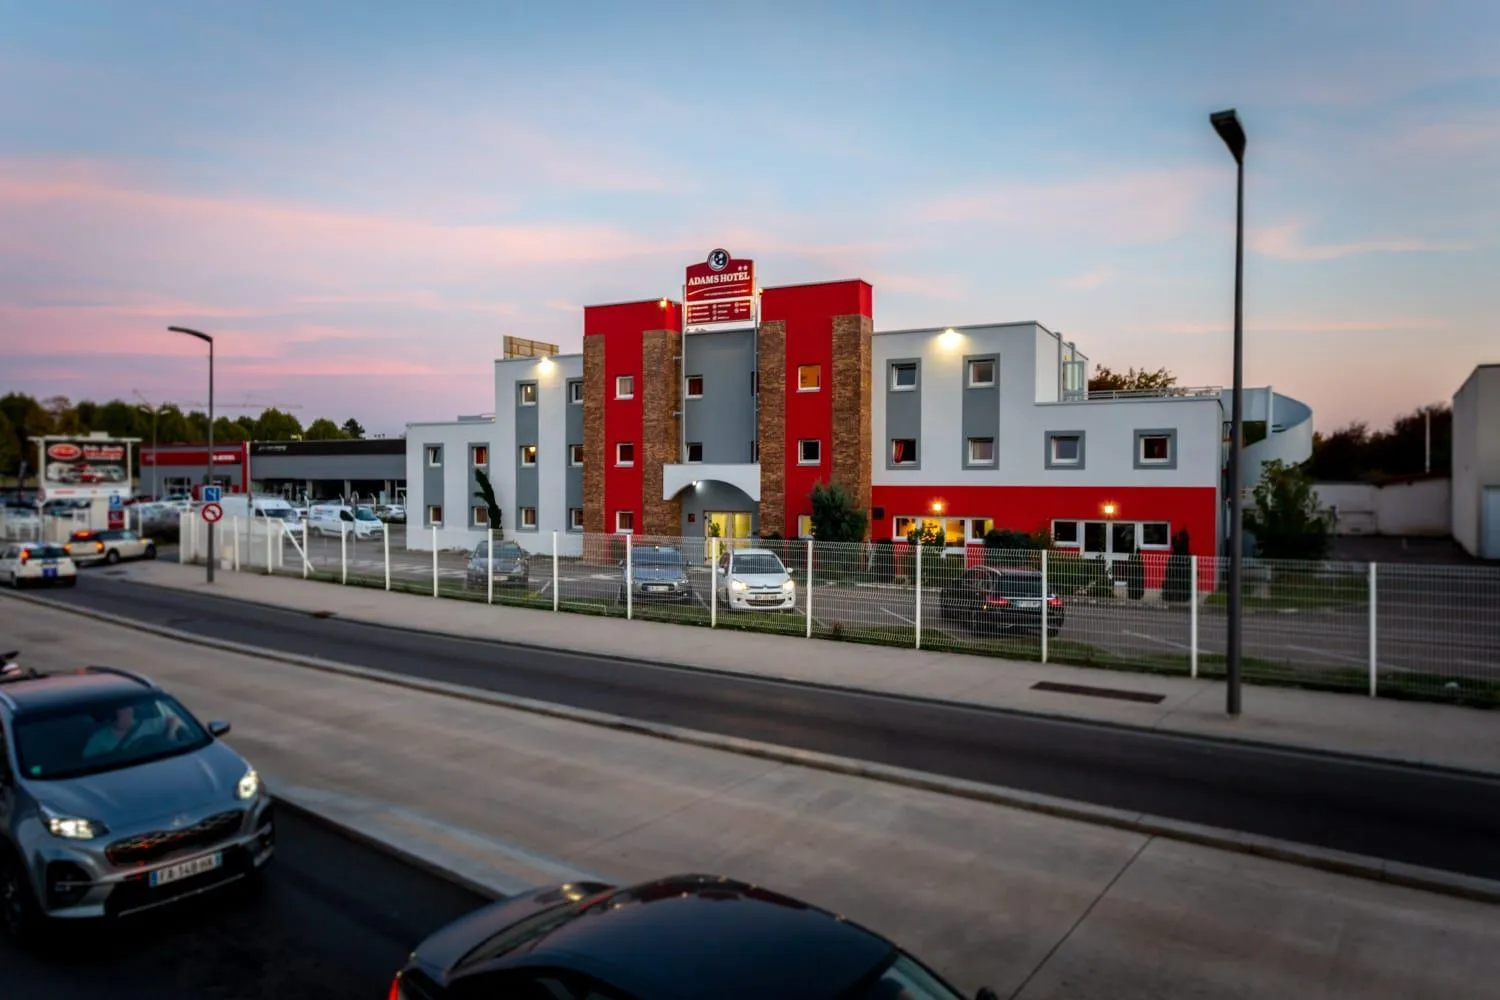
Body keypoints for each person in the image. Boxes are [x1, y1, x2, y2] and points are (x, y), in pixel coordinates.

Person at [83, 702, 184, 758]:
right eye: (123, 710)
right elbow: (87, 763)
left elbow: (174, 720)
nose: (129, 712)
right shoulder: (98, 739)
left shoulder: (146, 725)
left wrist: (171, 734)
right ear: (113, 714)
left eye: (129, 708)